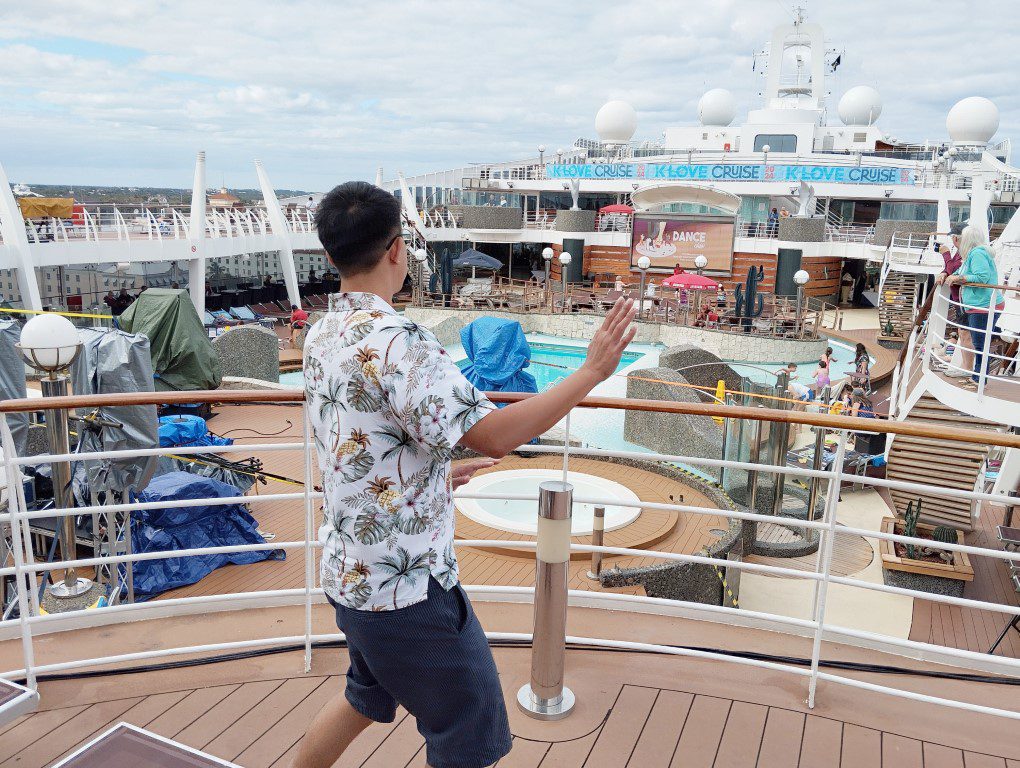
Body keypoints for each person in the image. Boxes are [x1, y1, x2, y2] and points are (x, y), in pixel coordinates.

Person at [293, 181, 637, 768]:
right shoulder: (399, 343)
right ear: (398, 249)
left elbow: (358, 440)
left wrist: (424, 477)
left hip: (350, 575)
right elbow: (495, 435)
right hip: (408, 592)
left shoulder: (321, 334)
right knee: (470, 736)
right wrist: (592, 372)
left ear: (330, 257)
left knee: (363, 698)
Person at [938, 225, 1004, 384]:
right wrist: (950, 274)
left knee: (980, 343)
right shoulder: (973, 254)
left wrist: (957, 279)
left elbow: (981, 277)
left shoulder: (977, 254)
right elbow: (961, 271)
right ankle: (977, 377)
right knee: (979, 342)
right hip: (980, 305)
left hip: (983, 305)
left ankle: (979, 380)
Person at [937, 223, 965, 326]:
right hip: (960, 300)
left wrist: (946, 254)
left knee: (965, 334)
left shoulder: (965, 252)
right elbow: (951, 269)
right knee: (962, 331)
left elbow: (953, 269)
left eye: (952, 237)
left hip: (964, 301)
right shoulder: (960, 251)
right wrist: (944, 272)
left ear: (956, 238)